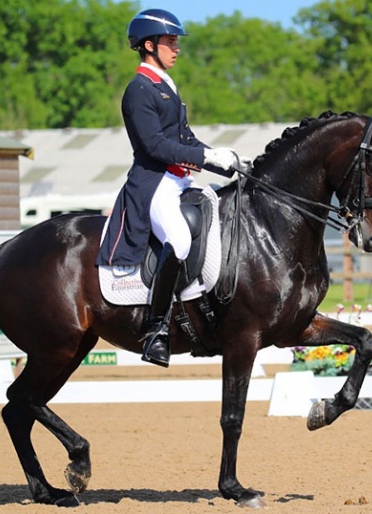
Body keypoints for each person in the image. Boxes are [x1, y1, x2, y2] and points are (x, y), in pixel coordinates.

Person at [96, 9, 249, 368]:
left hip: (181, 179)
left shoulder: (166, 85)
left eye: (177, 41)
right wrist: (206, 155)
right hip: (155, 183)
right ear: (149, 45)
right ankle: (156, 330)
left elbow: (184, 138)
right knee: (178, 240)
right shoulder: (139, 90)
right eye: (170, 41)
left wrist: (220, 159)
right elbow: (155, 146)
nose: (177, 48)